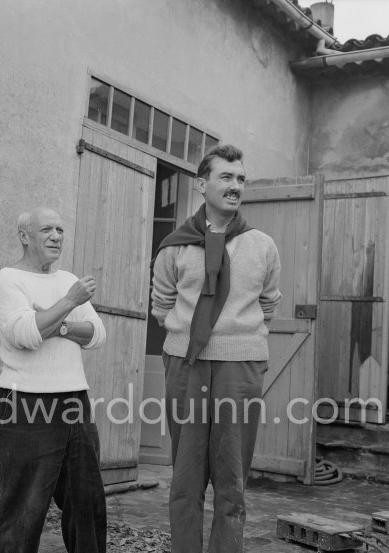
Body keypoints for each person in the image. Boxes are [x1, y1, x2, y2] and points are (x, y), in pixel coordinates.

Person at [151, 144, 282, 553]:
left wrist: (232, 334)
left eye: (241, 179)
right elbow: (162, 306)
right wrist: (193, 336)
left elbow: (269, 304)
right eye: (226, 177)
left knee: (232, 476)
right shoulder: (175, 246)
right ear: (201, 184)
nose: (235, 186)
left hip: (240, 368)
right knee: (186, 475)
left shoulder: (262, 245)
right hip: (186, 365)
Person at [0, 207, 107, 553]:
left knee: (87, 504)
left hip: (74, 402)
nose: (56, 236)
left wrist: (57, 323)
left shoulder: (67, 278)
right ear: (25, 236)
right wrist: (70, 303)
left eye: (60, 229)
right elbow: (24, 335)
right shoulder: (8, 279)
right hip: (25, 401)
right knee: (20, 509)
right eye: (46, 230)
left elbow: (97, 334)